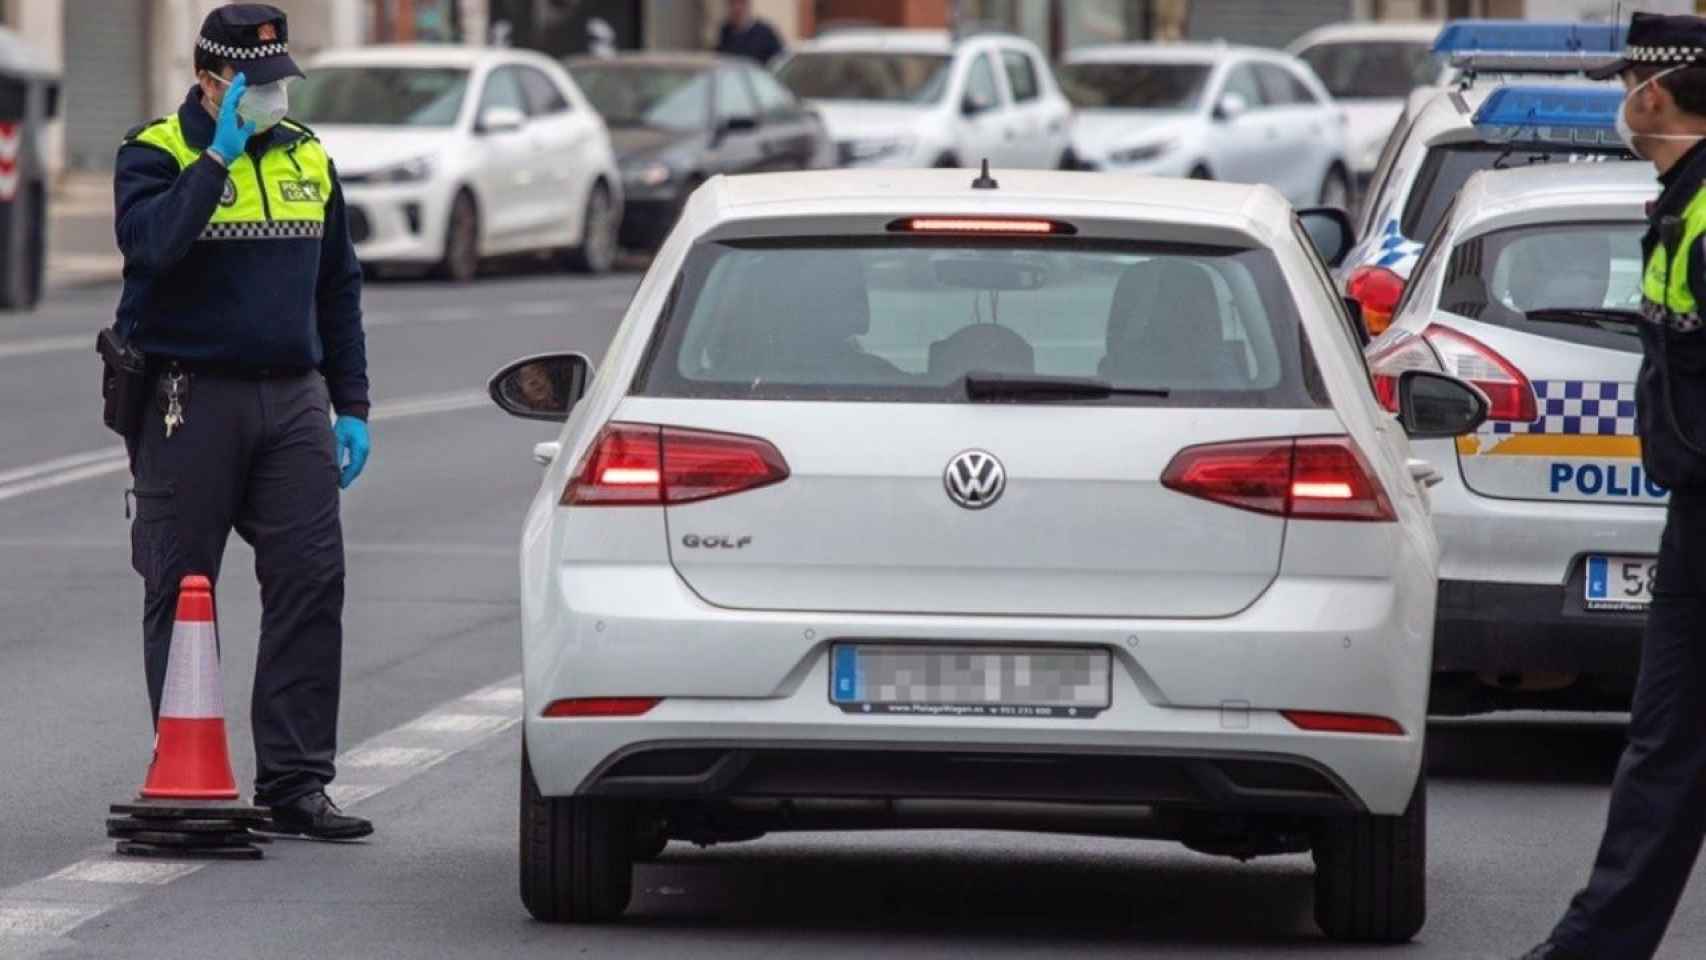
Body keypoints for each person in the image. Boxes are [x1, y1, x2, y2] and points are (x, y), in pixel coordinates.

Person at [112, 3, 372, 841]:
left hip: (294, 397)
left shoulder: (309, 157)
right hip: (190, 396)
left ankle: (296, 784)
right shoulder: (155, 153)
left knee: (310, 577)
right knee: (183, 585)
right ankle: (186, 764)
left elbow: (338, 288)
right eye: (252, 87)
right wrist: (217, 157)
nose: (269, 99)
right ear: (210, 80)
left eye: (277, 84)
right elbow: (152, 247)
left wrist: (353, 403)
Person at [1517, 13, 1706, 960]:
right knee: (1667, 747)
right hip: (1696, 517)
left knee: (1668, 746)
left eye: (1625, 80)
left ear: (1656, 92)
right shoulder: (1682, 200)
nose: (1618, 99)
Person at [715, 0, 784, 65]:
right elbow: (719, 57)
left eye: (741, 3)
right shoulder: (725, 31)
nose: (737, 8)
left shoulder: (765, 33)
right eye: (733, 4)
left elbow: (779, 60)